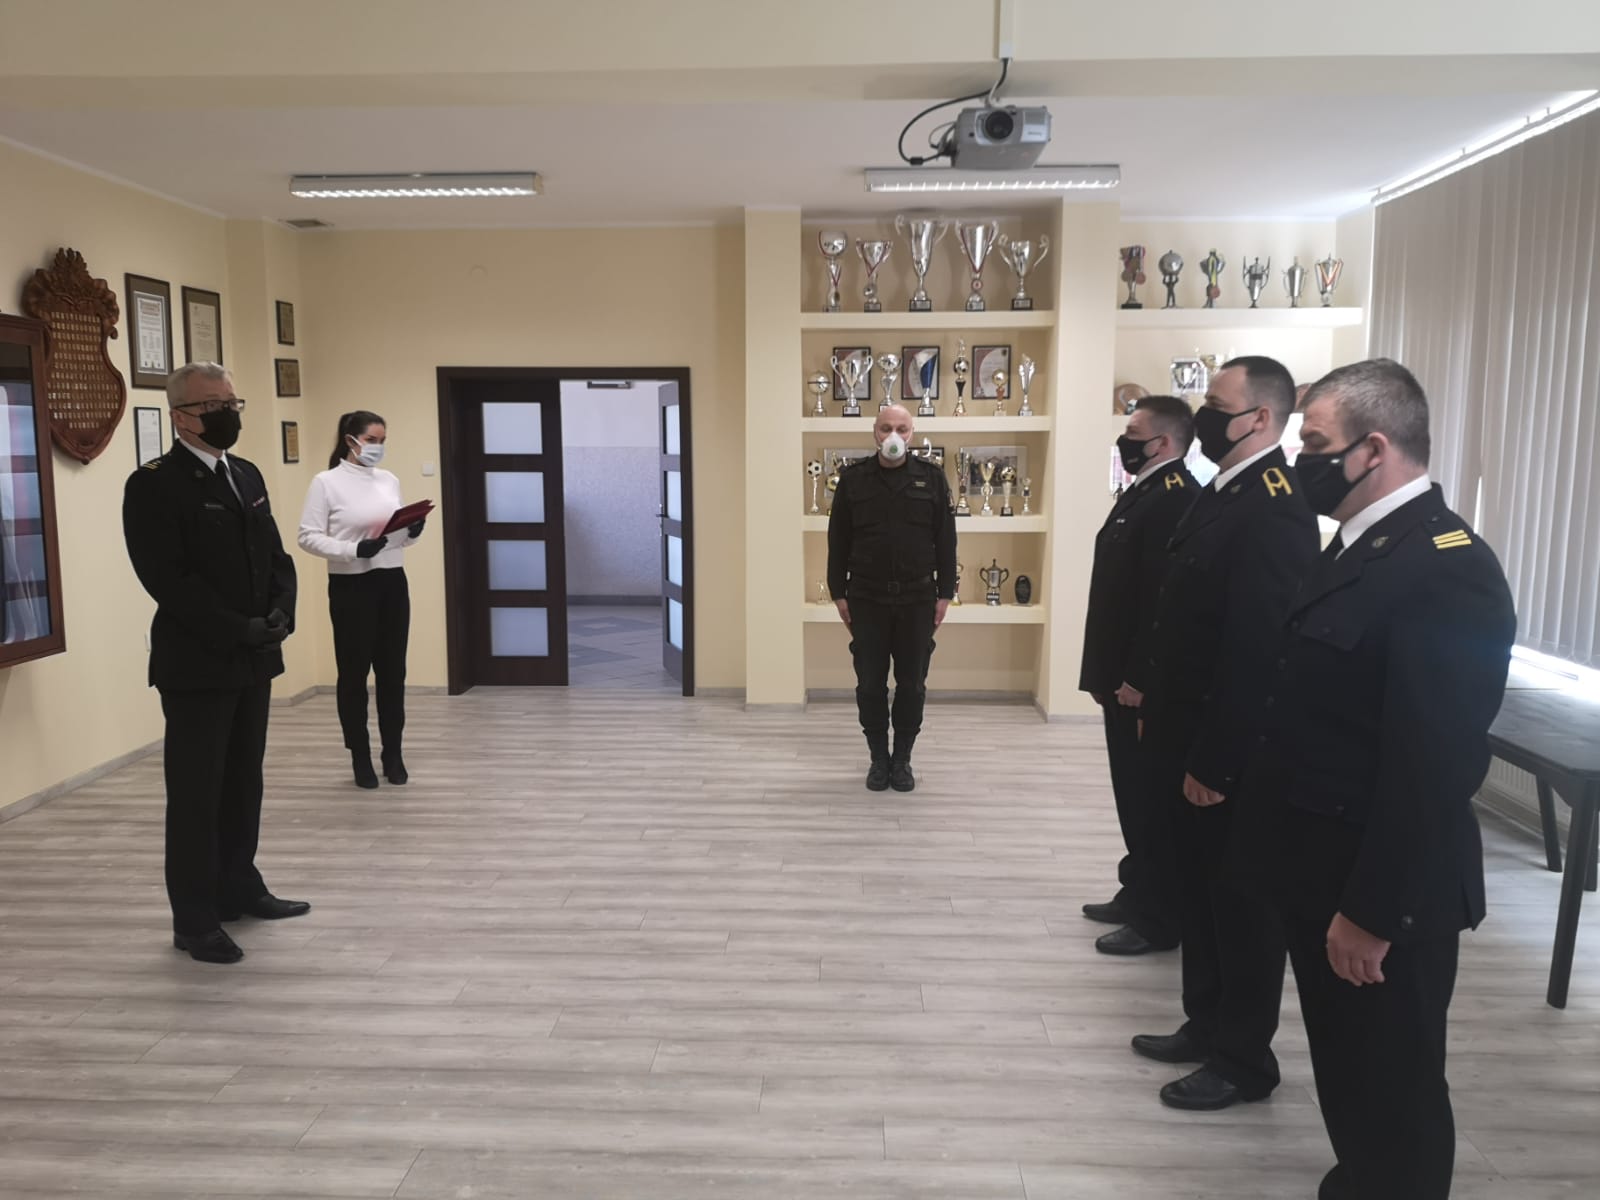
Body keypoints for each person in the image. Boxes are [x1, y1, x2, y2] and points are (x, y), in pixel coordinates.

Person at [1238, 360, 1515, 1199]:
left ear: (1376, 449)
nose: (1301, 461)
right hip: (1321, 869)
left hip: (1381, 894)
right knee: (1349, 1069)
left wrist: (1372, 912)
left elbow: (1433, 766)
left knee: (1395, 1089)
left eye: (1317, 444)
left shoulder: (1447, 567)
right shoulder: (1359, 544)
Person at [1128, 355, 1319, 1110]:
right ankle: (1204, 1024)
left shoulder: (1273, 507)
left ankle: (1242, 1058)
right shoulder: (1226, 490)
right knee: (1201, 890)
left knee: (1239, 906)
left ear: (1260, 418)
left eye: (1216, 401)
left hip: (1223, 750)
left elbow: (1256, 650)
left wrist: (1216, 760)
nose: (1204, 412)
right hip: (1187, 732)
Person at [122, 362, 308, 965]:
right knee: (197, 793)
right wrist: (236, 627)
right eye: (213, 405)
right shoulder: (153, 484)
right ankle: (195, 918)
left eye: (232, 402)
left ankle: (239, 886)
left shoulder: (245, 473)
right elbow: (167, 579)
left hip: (254, 657)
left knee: (243, 781)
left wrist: (283, 609)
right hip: (197, 663)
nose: (227, 413)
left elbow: (275, 556)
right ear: (181, 416)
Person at [1078, 395, 1197, 955]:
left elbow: (1163, 602)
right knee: (1132, 792)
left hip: (1137, 685)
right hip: (1119, 678)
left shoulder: (1174, 499)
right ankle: (1138, 889)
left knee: (1151, 801)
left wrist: (1140, 677)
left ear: (1163, 442)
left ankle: (1158, 917)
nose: (1124, 441)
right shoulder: (1145, 491)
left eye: (1133, 432)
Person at [827, 403, 956, 792]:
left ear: (912, 434)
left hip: (918, 599)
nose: (893, 436)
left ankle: (902, 760)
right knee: (870, 684)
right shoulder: (853, 480)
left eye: (901, 428)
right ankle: (878, 760)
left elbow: (946, 541)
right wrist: (838, 593)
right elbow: (837, 541)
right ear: (875, 433)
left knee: (912, 684)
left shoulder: (931, 479)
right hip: (866, 598)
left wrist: (945, 594)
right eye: (886, 428)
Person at [297, 411, 426, 789]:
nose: (378, 447)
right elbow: (307, 537)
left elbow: (396, 538)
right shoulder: (326, 483)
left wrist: (413, 532)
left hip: (392, 582)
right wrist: (353, 549)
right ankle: (359, 755)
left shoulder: (388, 480)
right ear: (350, 440)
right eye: (371, 440)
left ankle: (393, 753)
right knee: (354, 675)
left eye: (382, 441)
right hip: (352, 586)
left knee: (393, 673)